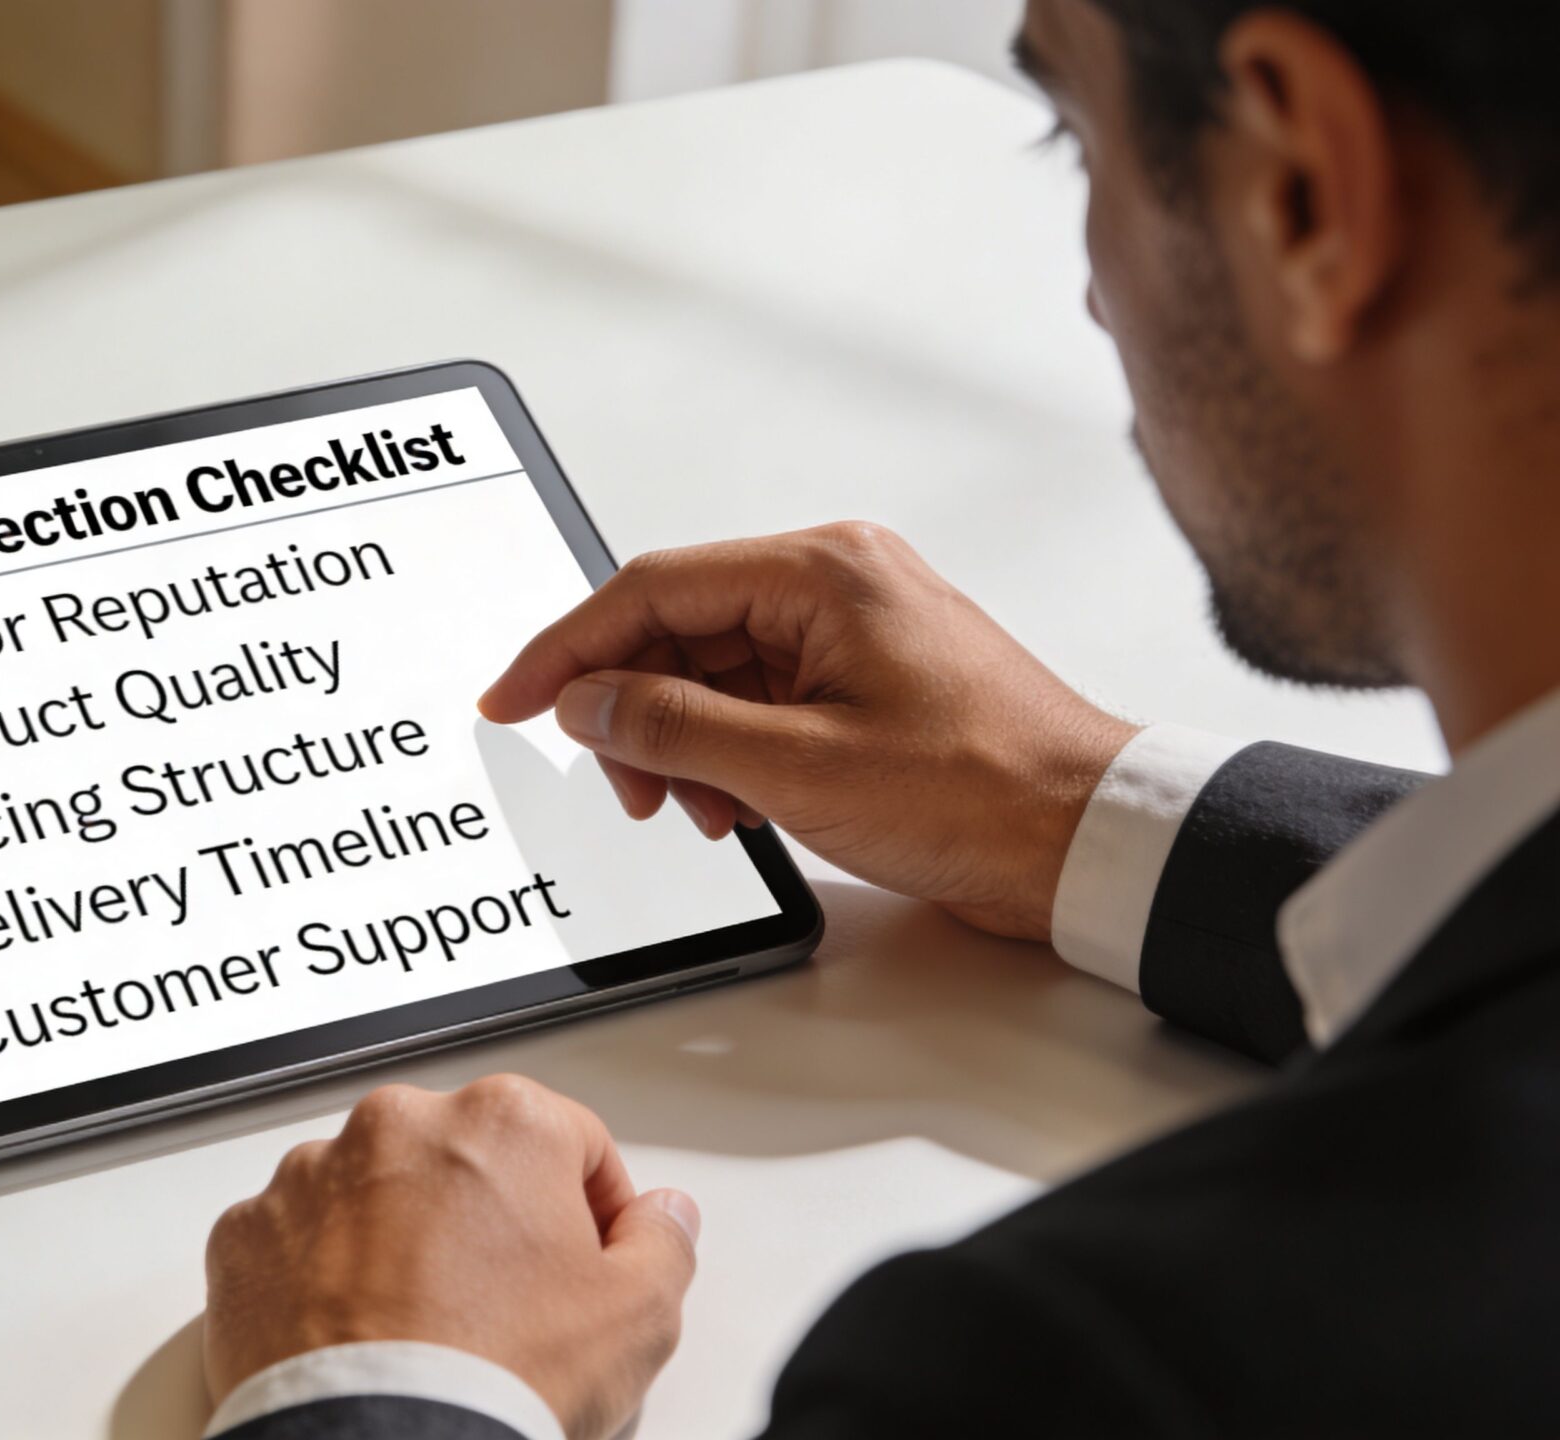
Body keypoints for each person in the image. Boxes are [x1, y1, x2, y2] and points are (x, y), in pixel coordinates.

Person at [195, 0, 1560, 1435]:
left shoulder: (1082, 1370)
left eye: (1073, 130)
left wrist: (389, 1380)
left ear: (1303, 194)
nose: (1094, 294)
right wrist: (1082, 811)